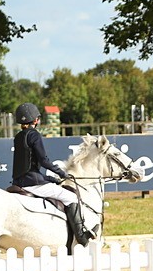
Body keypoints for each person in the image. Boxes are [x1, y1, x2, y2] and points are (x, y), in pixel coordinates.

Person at [11, 103, 92, 246]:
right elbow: (44, 161)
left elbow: (28, 166)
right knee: (71, 196)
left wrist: (50, 179)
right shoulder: (34, 135)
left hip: (19, 182)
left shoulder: (18, 137)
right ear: (35, 120)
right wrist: (62, 173)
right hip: (32, 184)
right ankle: (81, 236)